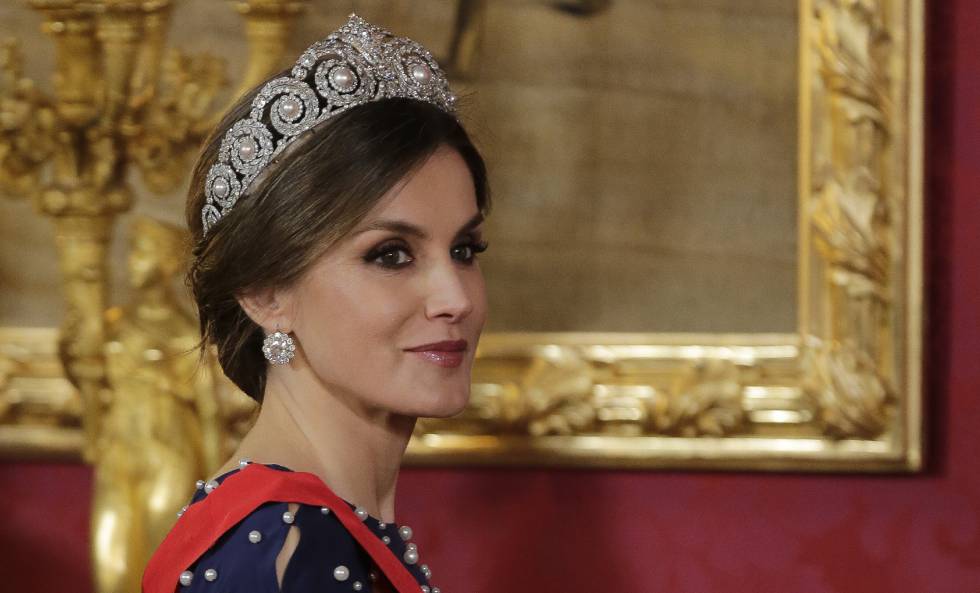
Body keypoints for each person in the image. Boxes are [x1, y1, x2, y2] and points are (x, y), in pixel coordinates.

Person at [143, 14, 490, 593]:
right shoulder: (291, 547)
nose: (455, 298)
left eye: (464, 249)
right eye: (391, 255)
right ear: (265, 293)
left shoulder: (302, 530)